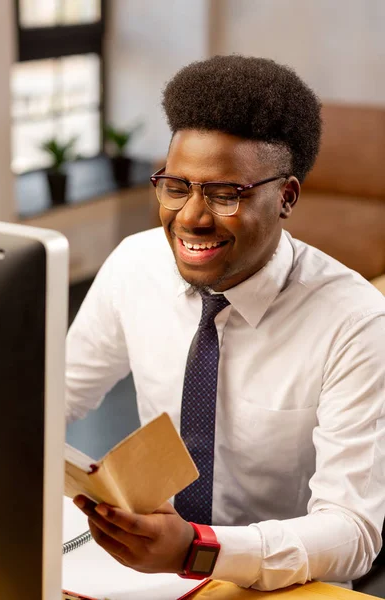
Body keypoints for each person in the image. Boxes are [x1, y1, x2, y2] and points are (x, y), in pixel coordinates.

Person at [66, 55, 385, 591]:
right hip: (148, 569)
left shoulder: (356, 323)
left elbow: (353, 533)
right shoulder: (134, 264)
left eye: (224, 194)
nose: (190, 216)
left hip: (281, 580)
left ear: (285, 197)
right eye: (176, 186)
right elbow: (52, 401)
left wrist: (200, 550)